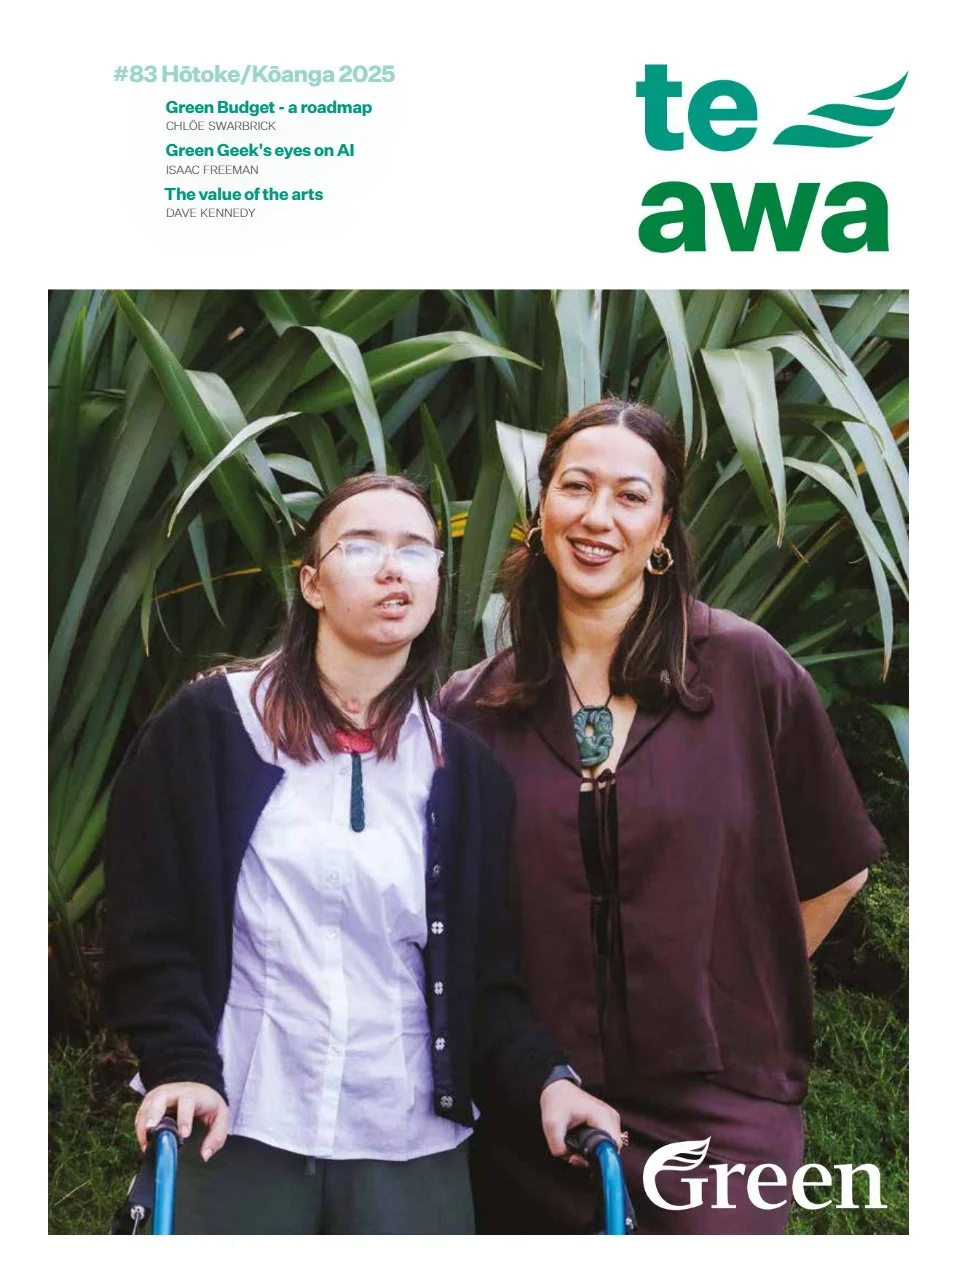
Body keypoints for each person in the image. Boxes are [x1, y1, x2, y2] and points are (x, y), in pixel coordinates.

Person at [101, 473, 621, 1235]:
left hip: (407, 1140)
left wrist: (548, 1080)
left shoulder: (466, 775)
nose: (393, 567)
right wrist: (179, 1063)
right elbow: (152, 933)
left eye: (417, 549)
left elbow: (487, 985)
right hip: (235, 1121)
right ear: (310, 583)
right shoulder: (209, 727)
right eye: (363, 545)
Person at [439, 399, 883, 1235]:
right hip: (537, 1111)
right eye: (575, 486)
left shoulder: (748, 670)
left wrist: (735, 981)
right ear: (539, 510)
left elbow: (838, 862)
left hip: (719, 1113)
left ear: (664, 527)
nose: (596, 516)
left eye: (629, 495)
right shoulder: (473, 709)